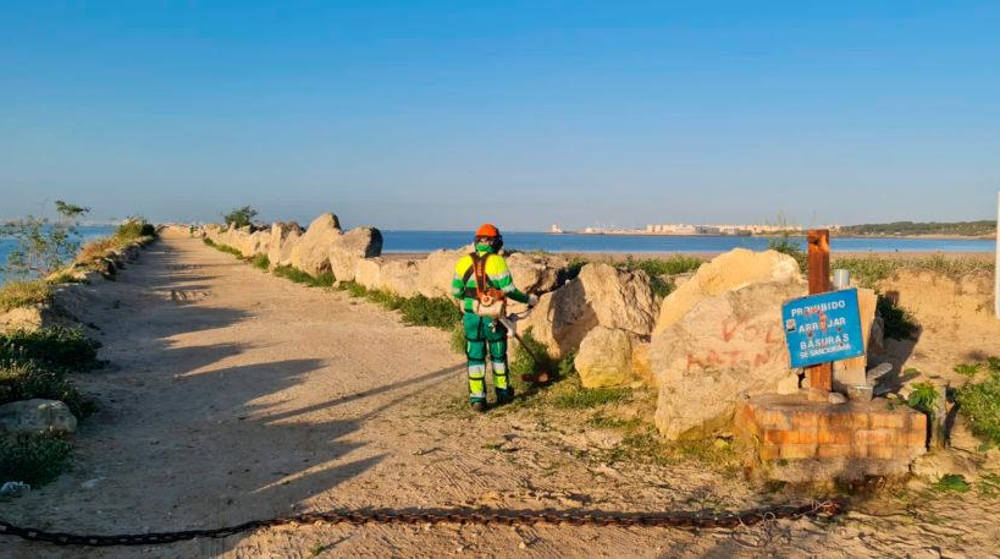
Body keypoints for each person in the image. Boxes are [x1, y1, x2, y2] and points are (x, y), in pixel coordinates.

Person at [452, 223, 538, 412]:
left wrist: (471, 296)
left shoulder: (463, 262)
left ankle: (477, 399)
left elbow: (456, 292)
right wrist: (528, 299)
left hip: (472, 316)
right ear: (495, 242)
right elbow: (509, 290)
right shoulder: (498, 261)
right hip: (495, 317)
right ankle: (503, 393)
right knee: (498, 355)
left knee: (475, 357)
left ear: (477, 241)